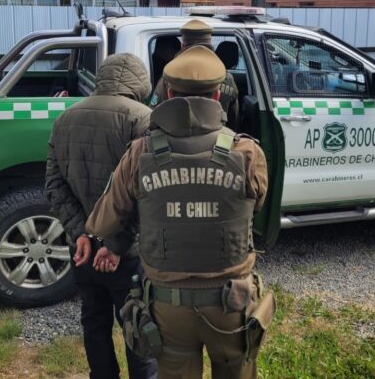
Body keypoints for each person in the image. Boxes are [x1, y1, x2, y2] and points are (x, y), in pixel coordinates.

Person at [87, 45, 270, 379]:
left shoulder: (140, 152)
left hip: (168, 309)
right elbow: (257, 203)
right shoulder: (247, 152)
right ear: (218, 95)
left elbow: (103, 220)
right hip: (230, 303)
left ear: (168, 93)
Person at [44, 53, 157, 379]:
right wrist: (116, 244)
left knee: (93, 322)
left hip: (81, 251)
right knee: (138, 325)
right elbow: (146, 193)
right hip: (127, 254)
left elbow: (53, 185)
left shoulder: (65, 118)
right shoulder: (143, 119)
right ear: (140, 83)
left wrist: (82, 235)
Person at [150, 19, 241, 130]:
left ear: (183, 45)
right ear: (210, 43)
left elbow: (154, 117)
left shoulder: (169, 77)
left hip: (175, 143)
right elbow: (234, 121)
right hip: (219, 142)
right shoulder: (227, 78)